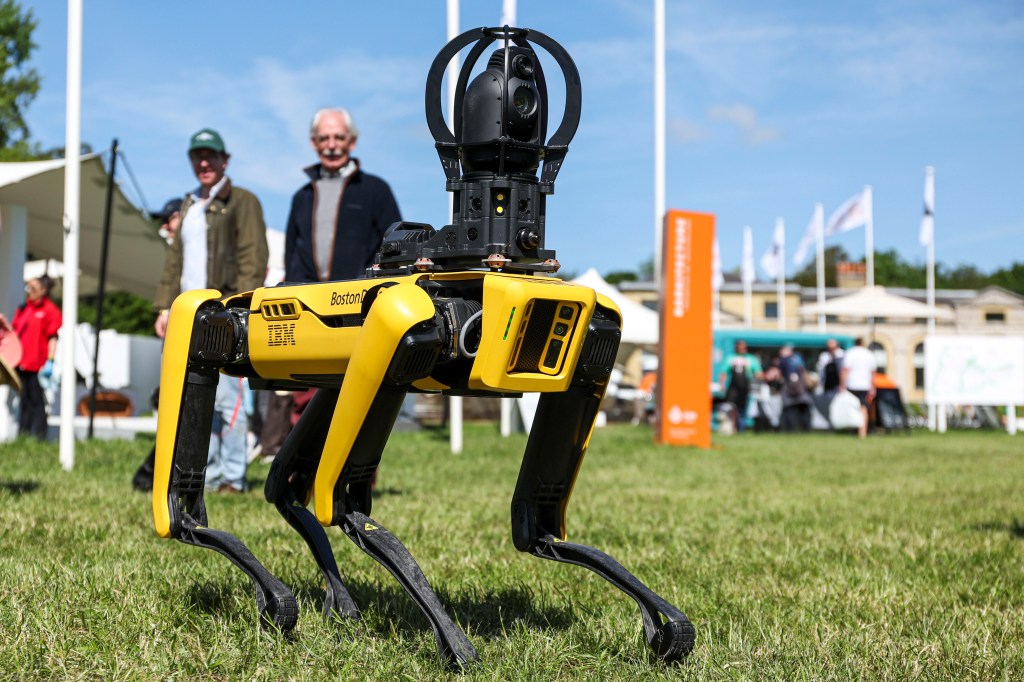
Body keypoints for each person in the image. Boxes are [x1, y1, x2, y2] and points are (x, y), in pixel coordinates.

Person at [262, 108, 402, 459]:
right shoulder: (301, 196)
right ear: (313, 144)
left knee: (359, 396)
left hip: (359, 306)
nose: (332, 145)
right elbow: (293, 251)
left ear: (351, 141)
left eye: (339, 137)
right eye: (324, 138)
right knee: (306, 395)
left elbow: (396, 243)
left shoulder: (375, 190)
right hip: (310, 309)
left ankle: (354, 480)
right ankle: (303, 471)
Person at [153, 128, 269, 493]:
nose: (204, 163)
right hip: (188, 313)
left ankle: (232, 476)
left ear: (225, 160)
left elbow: (254, 257)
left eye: (211, 156)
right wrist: (164, 307)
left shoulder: (242, 201)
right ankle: (208, 472)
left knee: (228, 398)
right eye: (197, 156)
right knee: (195, 396)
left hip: (222, 312)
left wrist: (240, 309)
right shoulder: (188, 204)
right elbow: (175, 262)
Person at [0, 275, 62, 439]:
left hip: (38, 365)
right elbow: (13, 334)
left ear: (44, 289)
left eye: (33, 288)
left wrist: (51, 360)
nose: (30, 292)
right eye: (28, 288)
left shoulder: (50, 311)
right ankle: (23, 436)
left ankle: (40, 437)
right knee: (24, 401)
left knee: (37, 402)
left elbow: (53, 337)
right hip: (21, 364)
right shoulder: (23, 309)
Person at [718, 340, 763, 432]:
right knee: (729, 407)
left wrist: (758, 382)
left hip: (745, 387)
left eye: (744, 347)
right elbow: (723, 373)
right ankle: (729, 428)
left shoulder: (751, 359)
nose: (742, 349)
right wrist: (722, 385)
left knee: (742, 409)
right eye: (740, 347)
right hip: (733, 387)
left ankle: (741, 429)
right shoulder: (730, 358)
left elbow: (758, 373)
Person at [841, 337, 877, 438]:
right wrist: (873, 387)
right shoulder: (869, 354)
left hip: (851, 384)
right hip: (865, 385)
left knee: (851, 408)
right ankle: (862, 433)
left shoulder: (850, 353)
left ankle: (852, 431)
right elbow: (873, 373)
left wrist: (842, 385)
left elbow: (845, 370)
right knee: (863, 408)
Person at [778, 344, 812, 432]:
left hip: (791, 390)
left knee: (791, 410)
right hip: (803, 389)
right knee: (804, 410)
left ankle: (792, 429)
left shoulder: (784, 360)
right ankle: (806, 429)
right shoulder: (799, 358)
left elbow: (781, 373)